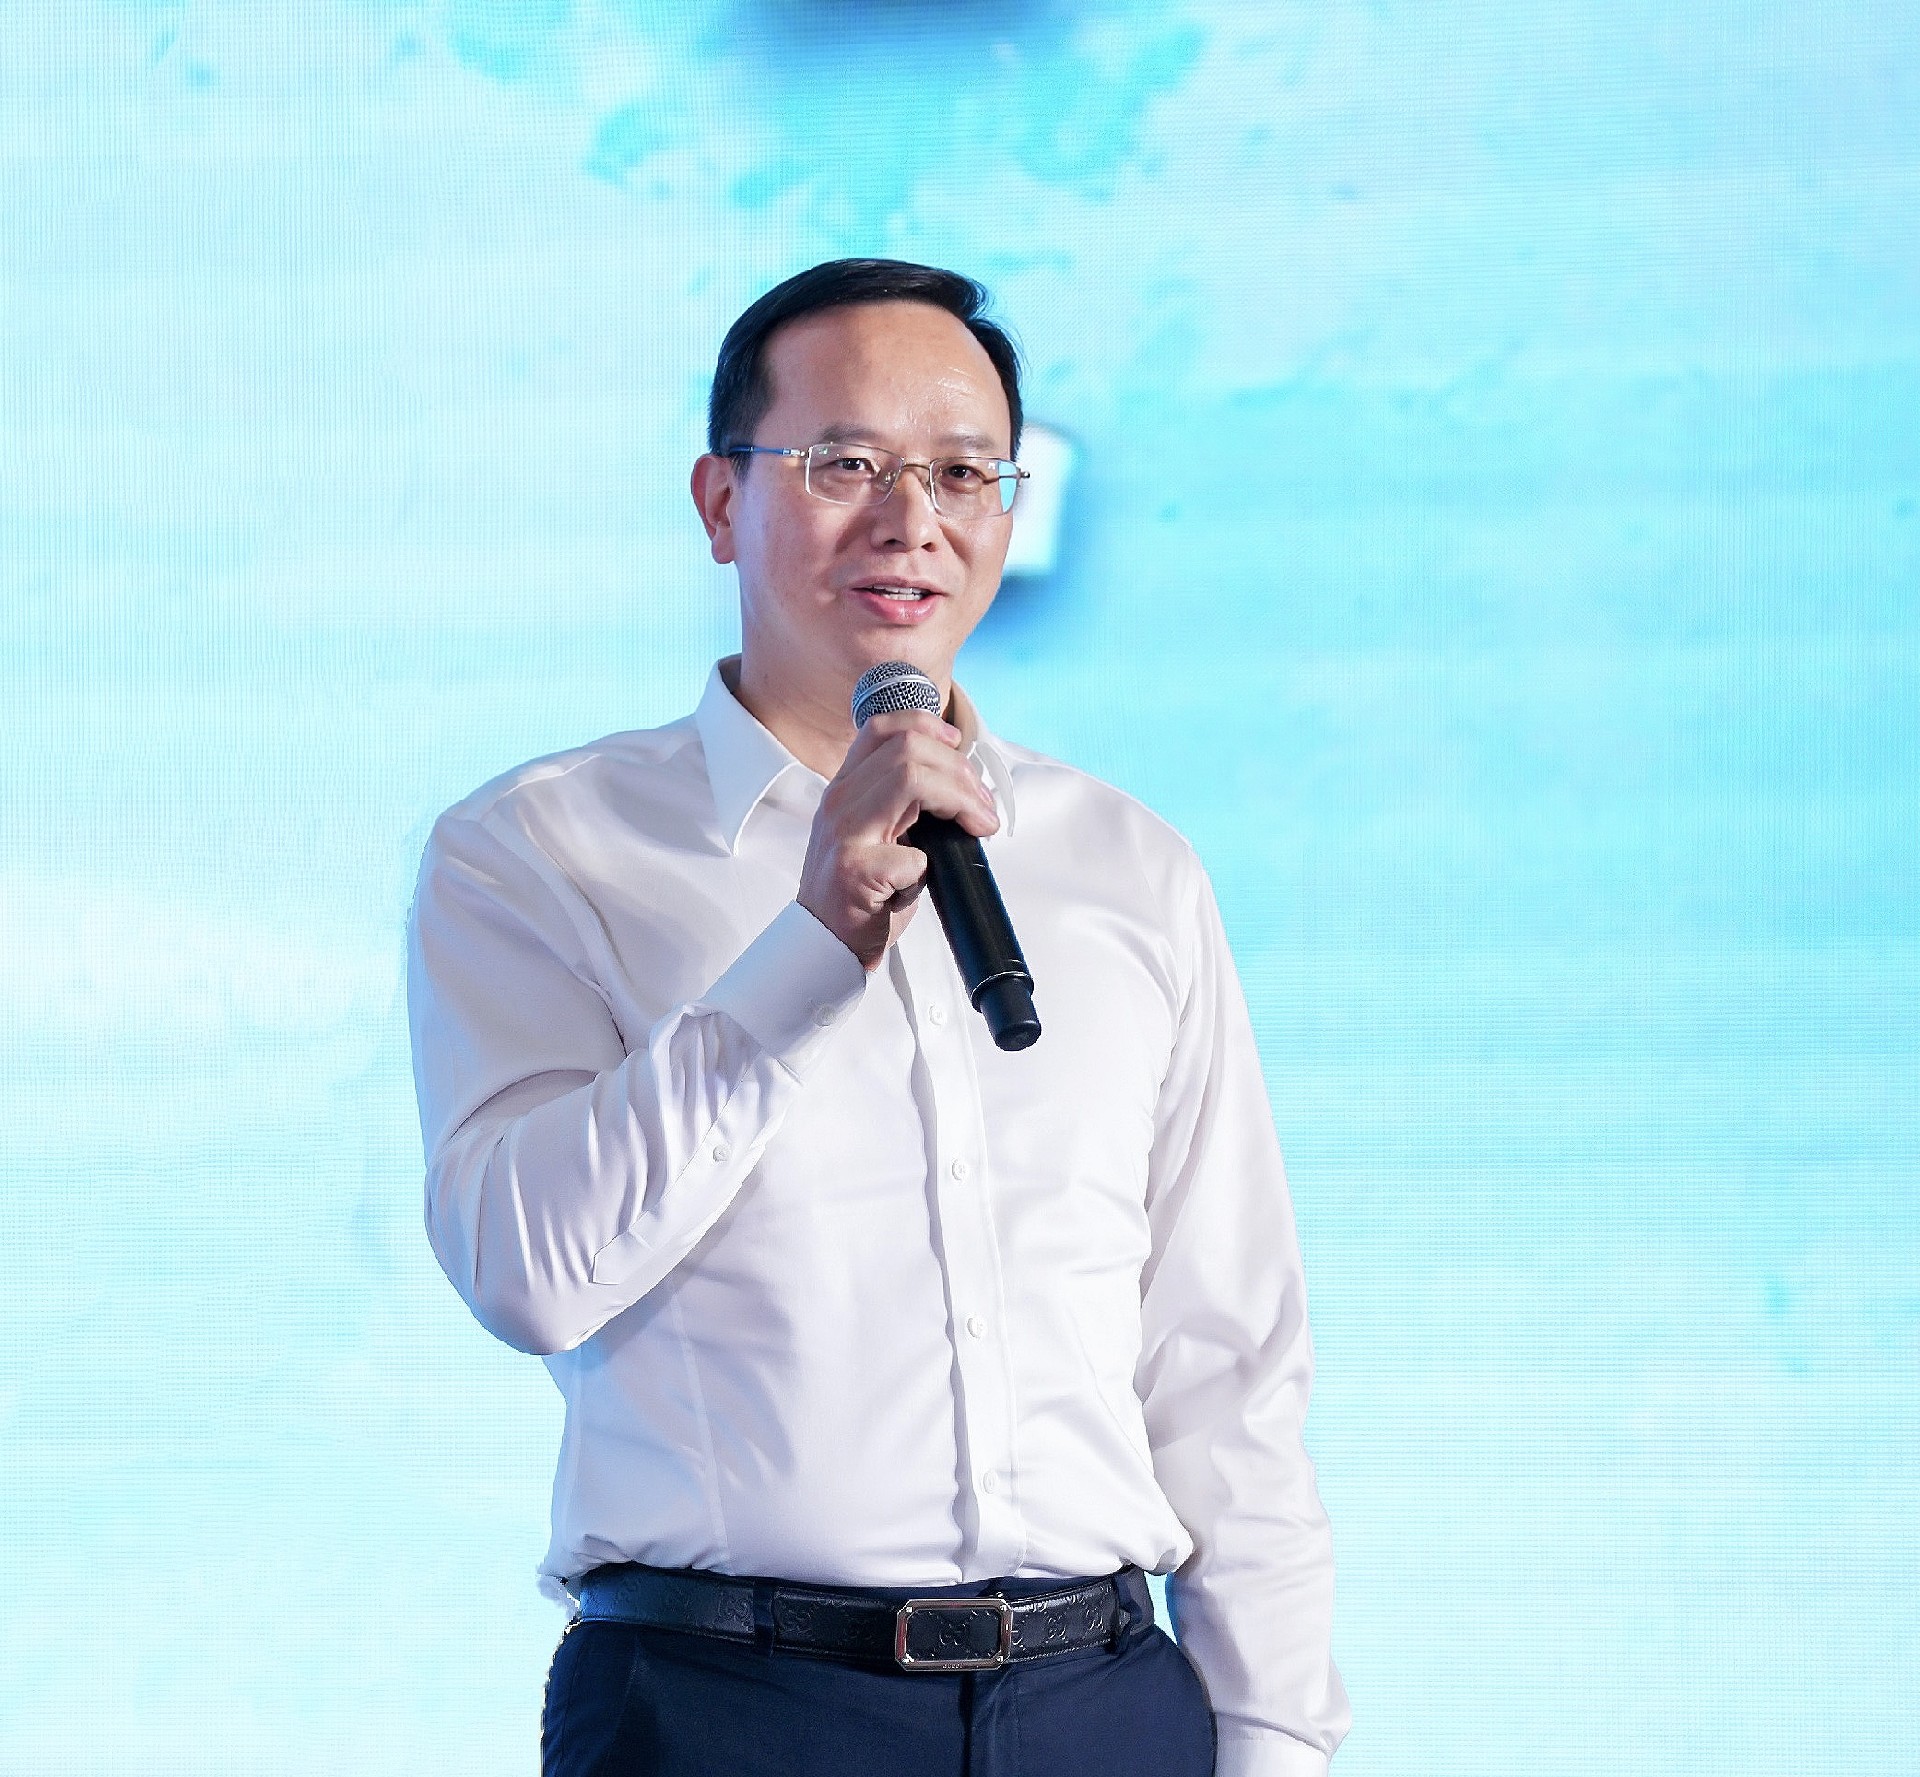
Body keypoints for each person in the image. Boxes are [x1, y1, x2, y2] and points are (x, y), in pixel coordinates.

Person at [405, 258, 1350, 1777]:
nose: (913, 519)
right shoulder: (540, 848)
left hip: (1103, 1704)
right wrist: (811, 943)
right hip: (730, 1709)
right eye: (845, 463)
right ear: (720, 501)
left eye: (965, 472)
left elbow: (1224, 1361)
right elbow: (529, 1272)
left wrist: (1277, 1742)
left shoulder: (1130, 867)